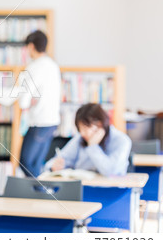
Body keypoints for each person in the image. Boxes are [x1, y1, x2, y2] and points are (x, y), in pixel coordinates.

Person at [45, 103, 132, 177]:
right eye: (80, 129)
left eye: (86, 128)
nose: (83, 133)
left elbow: (110, 172)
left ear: (100, 124)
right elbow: (54, 162)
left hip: (113, 191)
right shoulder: (80, 138)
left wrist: (93, 146)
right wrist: (53, 166)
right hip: (84, 189)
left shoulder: (122, 140)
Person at [18, 30, 61, 177]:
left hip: (39, 121)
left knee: (25, 161)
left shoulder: (34, 67)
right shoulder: (53, 65)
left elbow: (24, 99)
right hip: (52, 121)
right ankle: (42, 194)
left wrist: (26, 103)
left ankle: (43, 192)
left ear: (31, 46)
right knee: (36, 163)